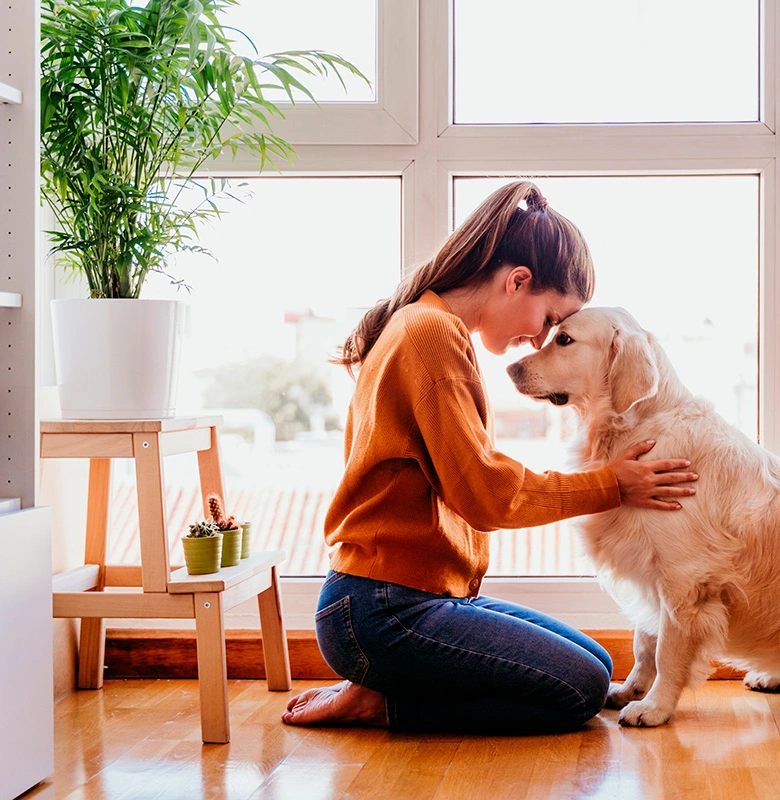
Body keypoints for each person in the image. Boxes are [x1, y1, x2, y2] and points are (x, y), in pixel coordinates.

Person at [281, 180, 698, 734]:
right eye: (550, 320)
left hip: (411, 599)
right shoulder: (431, 336)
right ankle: (382, 701)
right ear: (517, 281)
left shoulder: (427, 324)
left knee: (597, 665)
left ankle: (384, 682)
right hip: (381, 610)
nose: (539, 339)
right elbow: (486, 495)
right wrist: (611, 484)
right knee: (579, 690)